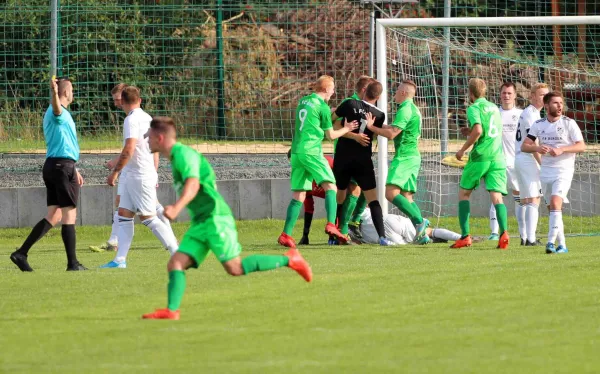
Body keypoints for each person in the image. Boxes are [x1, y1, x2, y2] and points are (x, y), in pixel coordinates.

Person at [142, 117, 312, 320]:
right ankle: (171, 311)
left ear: (160, 138)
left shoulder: (183, 155)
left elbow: (193, 184)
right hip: (201, 223)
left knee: (235, 268)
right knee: (175, 264)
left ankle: (289, 259)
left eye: (149, 137)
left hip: (215, 219)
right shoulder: (175, 157)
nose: (147, 141)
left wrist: (177, 207)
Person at [10, 76, 87, 271]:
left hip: (55, 165)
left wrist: (74, 168)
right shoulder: (56, 111)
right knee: (70, 215)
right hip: (62, 167)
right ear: (66, 92)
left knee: (54, 215)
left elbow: (63, 144)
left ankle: (21, 253)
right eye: (72, 90)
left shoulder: (60, 114)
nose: (73, 93)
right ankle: (73, 264)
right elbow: (56, 107)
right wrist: (53, 92)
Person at [99, 86, 179, 268]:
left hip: (138, 175)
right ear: (140, 100)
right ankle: (119, 260)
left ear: (124, 102)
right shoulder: (148, 118)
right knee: (124, 214)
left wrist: (114, 172)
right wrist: (154, 171)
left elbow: (129, 148)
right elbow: (156, 148)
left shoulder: (131, 120)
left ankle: (177, 253)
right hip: (138, 174)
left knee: (148, 218)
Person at [278, 75, 358, 248]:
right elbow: (330, 136)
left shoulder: (303, 101)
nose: (334, 91)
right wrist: (346, 128)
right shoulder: (322, 106)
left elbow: (311, 119)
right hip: (311, 151)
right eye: (333, 88)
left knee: (299, 194)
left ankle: (286, 234)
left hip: (296, 152)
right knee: (331, 186)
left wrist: (327, 115)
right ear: (326, 89)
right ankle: (331, 224)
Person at [366, 80, 430, 244]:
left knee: (390, 193)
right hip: (413, 156)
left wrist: (372, 128)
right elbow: (396, 128)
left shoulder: (405, 109)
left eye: (396, 91)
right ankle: (423, 233)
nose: (394, 93)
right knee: (406, 196)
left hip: (405, 157)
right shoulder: (413, 108)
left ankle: (419, 222)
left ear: (403, 93)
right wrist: (379, 124)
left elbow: (393, 134)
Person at [522, 92, 585, 254]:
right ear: (547, 105)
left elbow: (581, 146)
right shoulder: (538, 124)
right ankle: (562, 244)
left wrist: (562, 149)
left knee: (556, 203)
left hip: (564, 170)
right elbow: (524, 146)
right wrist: (537, 147)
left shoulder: (569, 123)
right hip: (545, 171)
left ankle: (550, 242)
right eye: (556, 103)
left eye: (561, 103)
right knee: (553, 209)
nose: (559, 106)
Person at [331, 80, 392, 246]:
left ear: (364, 91)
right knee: (372, 199)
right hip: (363, 160)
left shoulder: (349, 104)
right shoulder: (379, 114)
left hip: (343, 157)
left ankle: (333, 235)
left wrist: (348, 129)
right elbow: (371, 136)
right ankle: (382, 237)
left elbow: (333, 120)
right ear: (378, 96)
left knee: (340, 196)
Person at [453, 78, 509, 249]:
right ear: (484, 91)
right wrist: (470, 132)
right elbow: (487, 129)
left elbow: (478, 130)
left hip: (480, 157)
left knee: (464, 194)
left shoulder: (473, 107)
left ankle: (465, 236)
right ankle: (504, 233)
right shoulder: (494, 108)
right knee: (497, 197)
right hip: (498, 157)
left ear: (470, 93)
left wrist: (462, 150)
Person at [514, 83, 550, 246]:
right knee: (533, 199)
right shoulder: (530, 114)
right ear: (532, 96)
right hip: (527, 158)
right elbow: (531, 142)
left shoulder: (533, 113)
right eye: (542, 95)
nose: (545, 98)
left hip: (522, 159)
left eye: (546, 95)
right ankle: (530, 239)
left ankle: (526, 237)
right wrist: (542, 164)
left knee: (528, 199)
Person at [488, 82, 525, 242]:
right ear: (500, 94)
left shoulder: (522, 114)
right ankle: (495, 232)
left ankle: (523, 232)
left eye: (509, 93)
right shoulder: (494, 113)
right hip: (497, 162)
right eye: (504, 93)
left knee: (519, 196)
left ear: (515, 95)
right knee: (496, 196)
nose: (506, 96)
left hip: (516, 162)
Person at [285, 149, 333, 245]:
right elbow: (309, 208)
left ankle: (338, 234)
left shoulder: (327, 163)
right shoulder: (302, 176)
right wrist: (305, 235)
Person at [359, 209, 466, 245]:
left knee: (410, 244)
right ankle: (462, 237)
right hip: (389, 220)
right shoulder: (361, 207)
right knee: (429, 231)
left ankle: (432, 240)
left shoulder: (347, 213)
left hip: (376, 235)